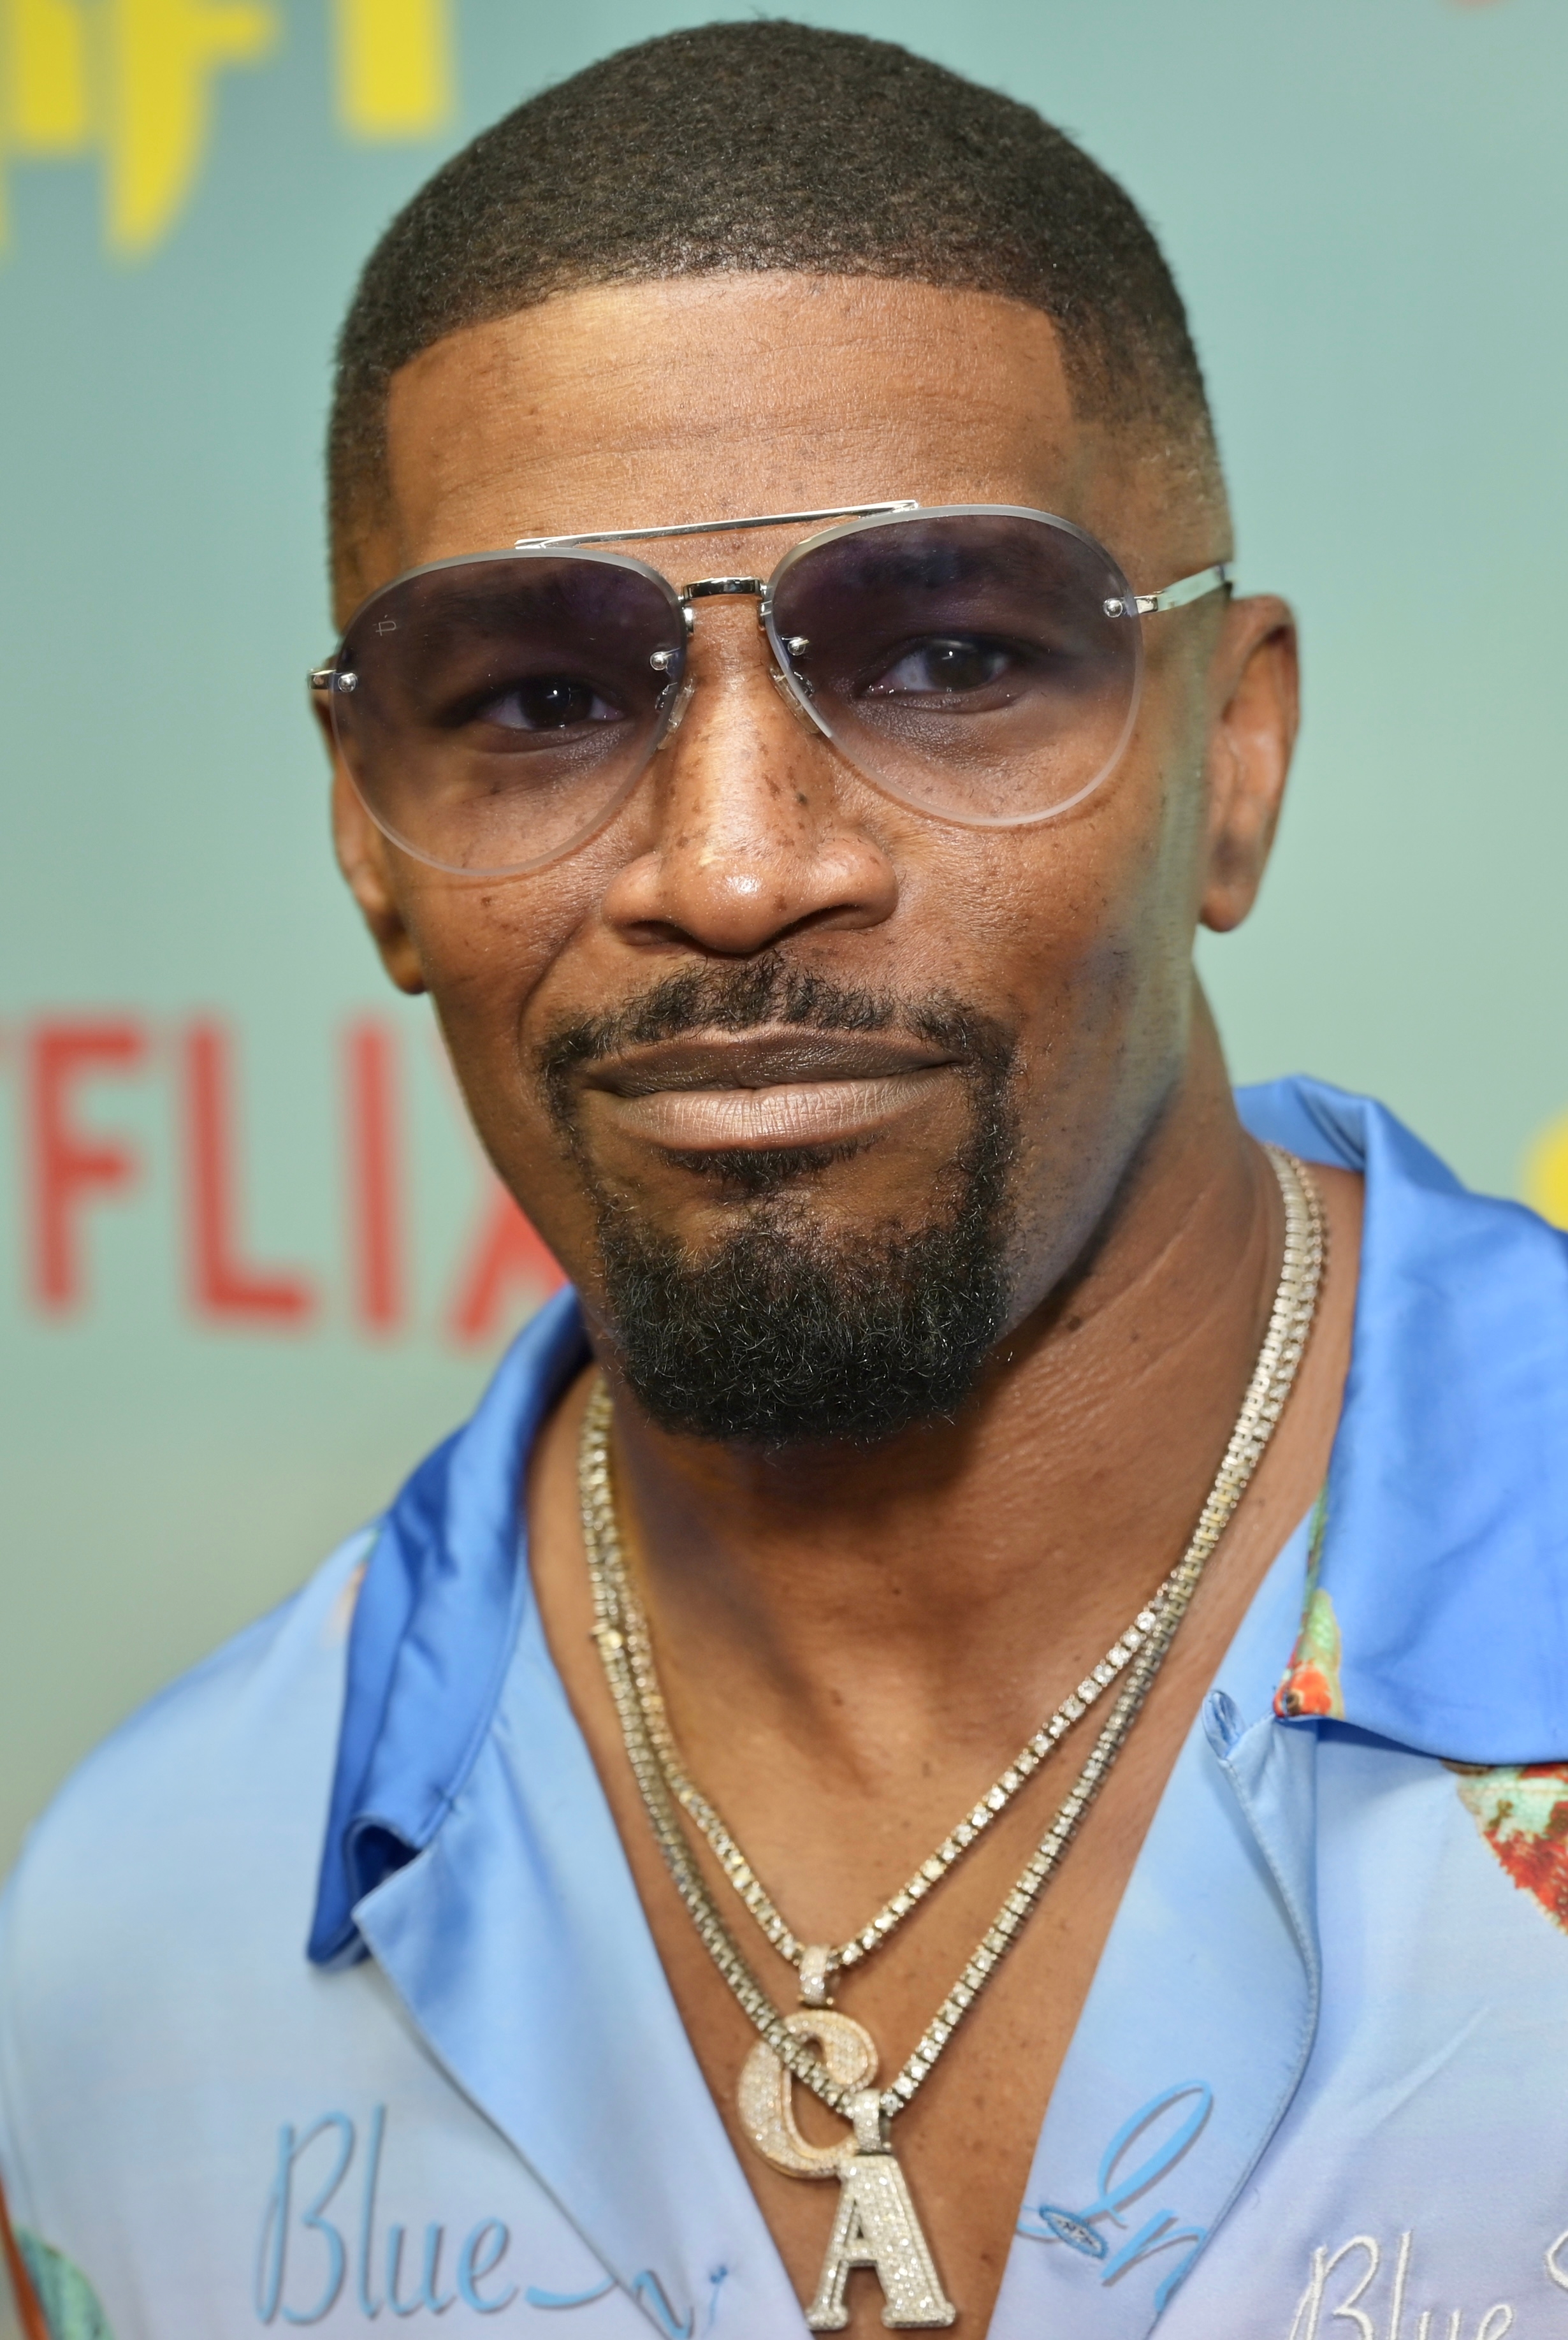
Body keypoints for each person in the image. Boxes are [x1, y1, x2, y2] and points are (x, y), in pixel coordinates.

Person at [4, 21, 1567, 2339]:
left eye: (947, 656)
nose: (734, 870)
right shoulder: (144, 1940)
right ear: (366, 832)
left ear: (1226, 762)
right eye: (539, 700)